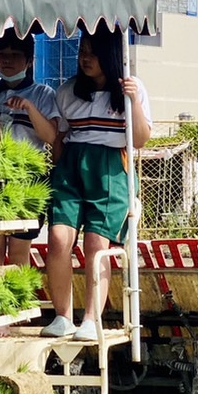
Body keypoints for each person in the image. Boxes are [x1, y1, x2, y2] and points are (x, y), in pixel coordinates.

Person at [41, 24, 151, 342]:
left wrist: (135, 103)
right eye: (83, 52)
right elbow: (60, 137)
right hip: (71, 165)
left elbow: (141, 139)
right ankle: (62, 316)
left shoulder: (131, 87)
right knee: (60, 239)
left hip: (110, 168)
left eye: (93, 52)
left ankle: (91, 319)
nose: (86, 59)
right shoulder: (67, 92)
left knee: (96, 244)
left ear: (110, 55)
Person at [0, 27, 61, 267]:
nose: (7, 60)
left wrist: (29, 108)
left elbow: (51, 136)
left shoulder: (42, 93)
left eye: (15, 55)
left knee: (19, 253)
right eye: (1, 54)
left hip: (27, 181)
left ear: (29, 60)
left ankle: (19, 303)